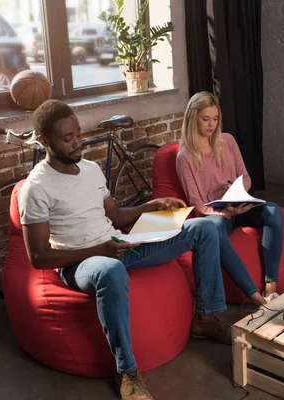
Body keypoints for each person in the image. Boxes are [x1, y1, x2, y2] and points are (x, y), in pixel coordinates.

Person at [18, 100, 230, 400]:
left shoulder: (90, 169)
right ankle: (127, 371)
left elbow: (116, 216)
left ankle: (205, 319)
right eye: (68, 139)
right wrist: (98, 251)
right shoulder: (36, 188)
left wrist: (152, 207)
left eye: (78, 133)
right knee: (111, 269)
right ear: (45, 141)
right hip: (79, 263)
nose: (78, 143)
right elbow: (38, 257)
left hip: (116, 246)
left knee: (204, 228)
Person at [175, 91, 283, 305]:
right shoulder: (185, 157)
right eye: (205, 119)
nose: (211, 125)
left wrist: (237, 193)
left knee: (273, 210)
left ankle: (271, 287)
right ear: (192, 117)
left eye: (215, 119)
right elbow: (196, 203)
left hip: (239, 204)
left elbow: (246, 178)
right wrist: (223, 212)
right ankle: (254, 295)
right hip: (215, 214)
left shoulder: (227, 141)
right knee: (213, 229)